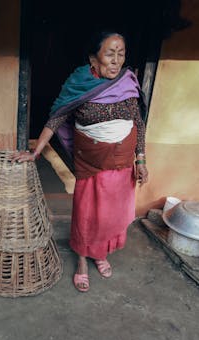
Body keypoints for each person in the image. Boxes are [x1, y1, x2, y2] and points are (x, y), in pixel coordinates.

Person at [12, 32, 148, 292]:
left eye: (121, 54)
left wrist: (140, 159)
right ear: (93, 59)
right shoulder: (78, 83)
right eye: (110, 54)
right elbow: (56, 118)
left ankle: (100, 253)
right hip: (91, 165)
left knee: (111, 217)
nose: (116, 61)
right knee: (87, 215)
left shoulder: (127, 82)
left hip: (122, 167)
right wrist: (35, 151)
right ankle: (83, 261)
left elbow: (138, 123)